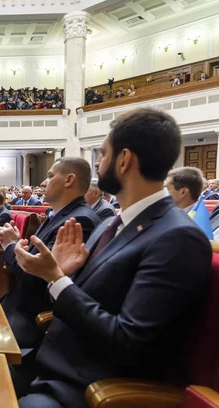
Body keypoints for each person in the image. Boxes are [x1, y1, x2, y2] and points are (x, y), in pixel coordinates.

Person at [14, 108, 211, 408]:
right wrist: (63, 275)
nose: (97, 162)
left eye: (102, 154)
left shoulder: (178, 238)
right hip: (50, 365)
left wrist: (57, 280)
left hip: (88, 389)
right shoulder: (111, 224)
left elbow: (128, 343)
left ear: (124, 159)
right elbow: (85, 301)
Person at [0, 158, 99, 353]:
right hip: (16, 305)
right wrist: (16, 245)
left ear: (69, 180)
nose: (43, 183)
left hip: (30, 318)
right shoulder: (60, 214)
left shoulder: (78, 220)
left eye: (50, 176)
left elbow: (38, 277)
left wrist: (11, 246)